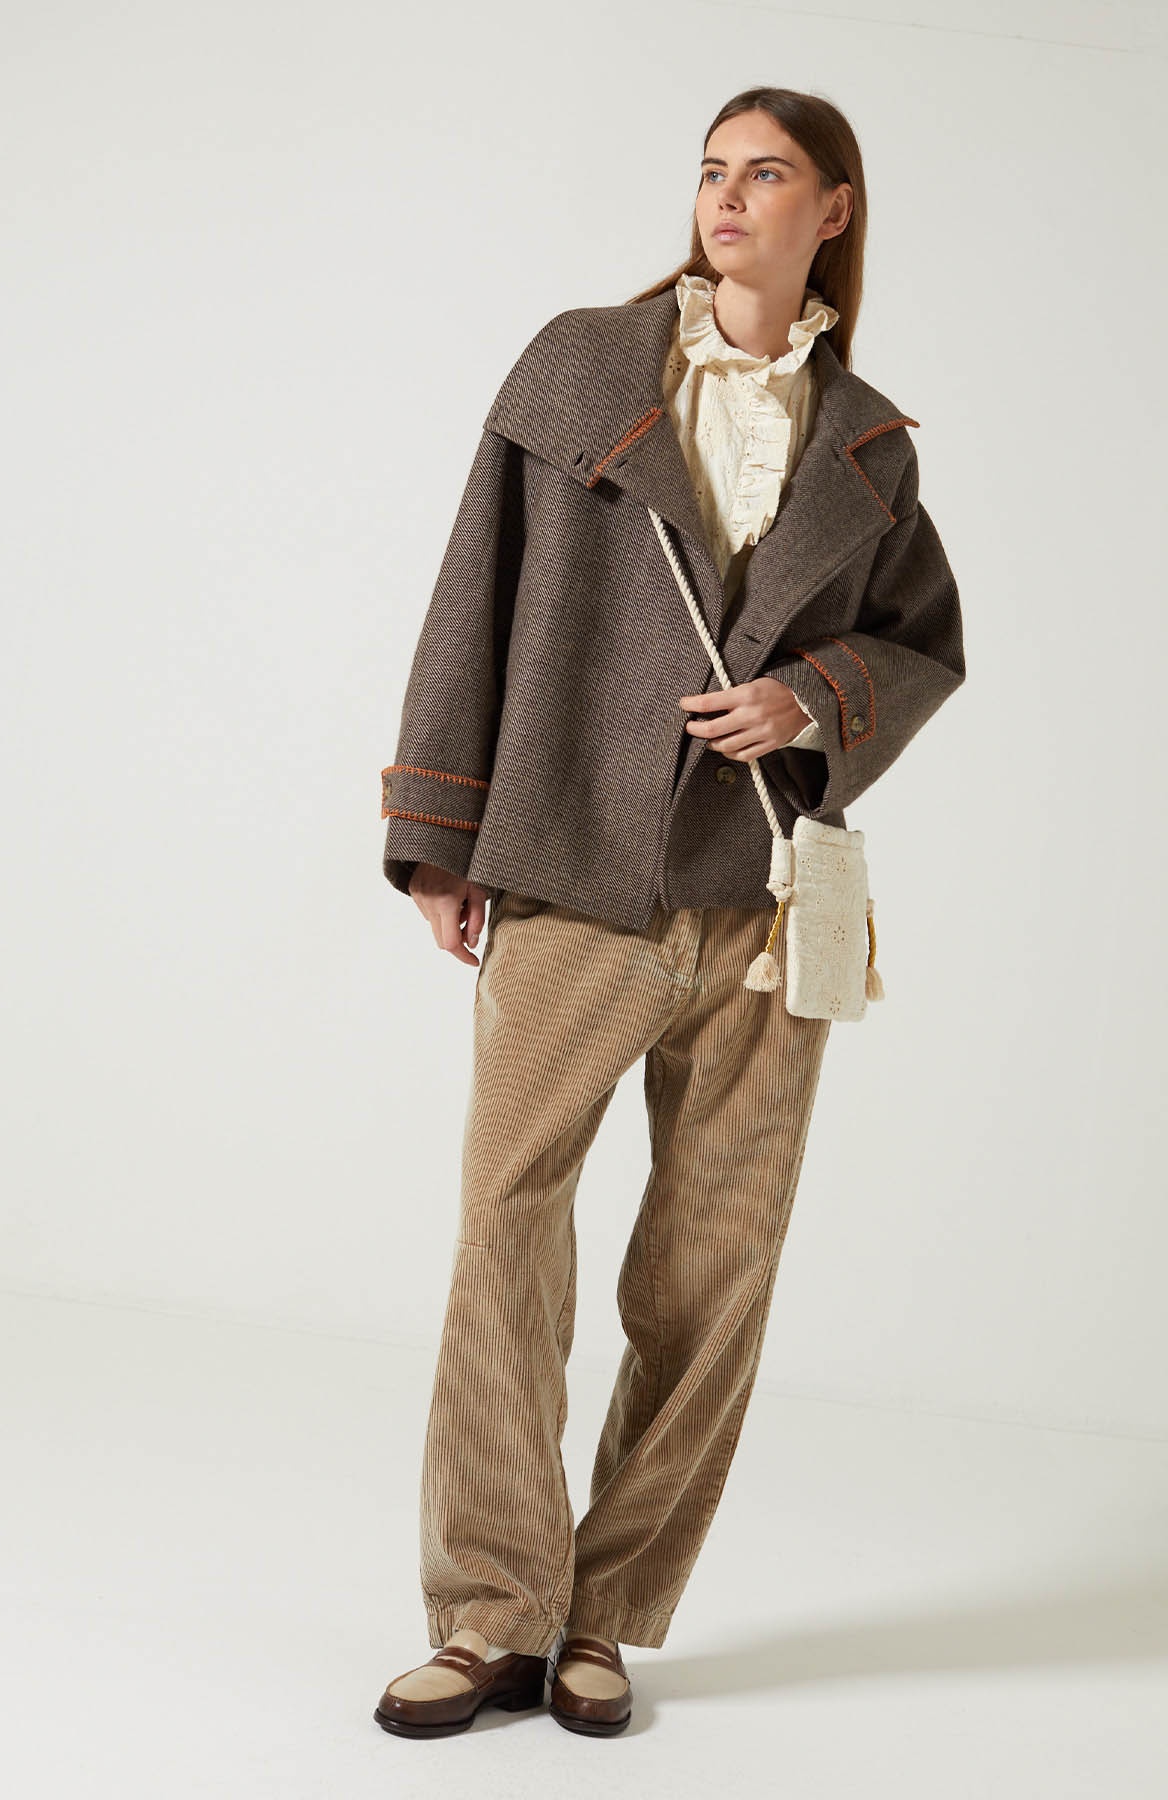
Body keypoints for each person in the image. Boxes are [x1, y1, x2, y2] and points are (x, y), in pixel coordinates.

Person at [374, 85, 966, 1740]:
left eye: (767, 174)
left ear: (832, 211)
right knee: (508, 1223)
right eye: (712, 171)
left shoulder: (872, 443)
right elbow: (473, 591)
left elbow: (922, 643)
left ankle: (608, 1619)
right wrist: (439, 836)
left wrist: (813, 699)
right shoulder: (579, 373)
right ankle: (492, 1612)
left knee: (711, 1276)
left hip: (767, 902)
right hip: (572, 867)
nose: (728, 196)